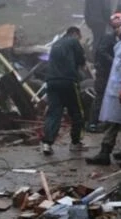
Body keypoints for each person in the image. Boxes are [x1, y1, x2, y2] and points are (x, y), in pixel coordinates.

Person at [85, 13, 121, 167]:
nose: (115, 29)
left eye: (118, 25)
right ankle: (105, 153)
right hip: (115, 89)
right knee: (113, 121)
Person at [41, 26, 86, 156]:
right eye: (79, 37)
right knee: (77, 112)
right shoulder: (73, 41)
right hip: (68, 81)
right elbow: (81, 60)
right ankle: (75, 143)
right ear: (75, 33)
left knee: (54, 112)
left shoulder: (55, 44)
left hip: (51, 81)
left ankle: (47, 144)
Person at [85, 9, 119, 133]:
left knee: (105, 98)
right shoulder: (109, 38)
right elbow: (102, 52)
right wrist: (114, 61)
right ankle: (93, 123)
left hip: (108, 73)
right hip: (104, 74)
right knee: (100, 98)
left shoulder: (114, 39)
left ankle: (101, 122)